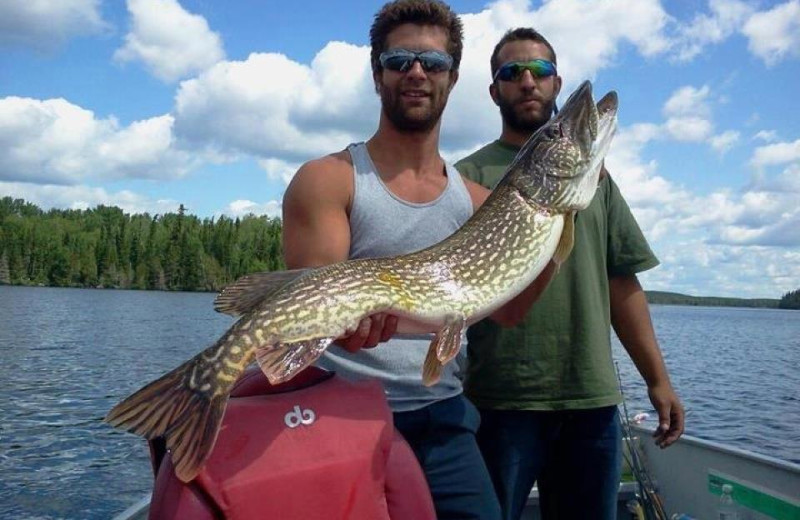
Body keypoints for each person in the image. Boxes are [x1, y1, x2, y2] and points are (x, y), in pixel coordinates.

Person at [281, 2, 553, 518]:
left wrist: (562, 219)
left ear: (452, 79)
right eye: (399, 59)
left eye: (433, 62)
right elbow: (312, 314)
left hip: (442, 415)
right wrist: (344, 324)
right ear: (376, 73)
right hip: (336, 409)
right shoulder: (329, 178)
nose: (416, 72)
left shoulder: (476, 202)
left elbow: (509, 310)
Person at [455, 28, 686, 520]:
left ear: (556, 83)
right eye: (510, 72)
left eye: (539, 71)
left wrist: (658, 380)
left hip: (591, 401)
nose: (526, 82)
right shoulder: (464, 176)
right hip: (500, 401)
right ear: (494, 91)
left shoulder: (596, 180)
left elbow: (622, 283)